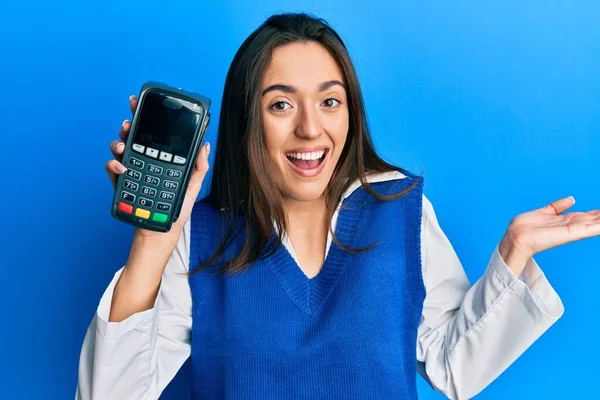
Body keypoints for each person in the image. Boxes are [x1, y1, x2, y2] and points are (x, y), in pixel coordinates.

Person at [76, 12, 600, 400]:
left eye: (330, 101)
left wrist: (513, 253)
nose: (310, 128)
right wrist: (155, 239)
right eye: (281, 104)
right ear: (246, 121)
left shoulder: (401, 213)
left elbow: (454, 365)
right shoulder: (201, 235)